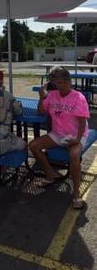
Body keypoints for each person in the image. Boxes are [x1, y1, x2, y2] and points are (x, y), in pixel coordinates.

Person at [29, 67, 89, 209]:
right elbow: (41, 111)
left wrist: (77, 139)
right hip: (58, 133)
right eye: (57, 82)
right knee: (33, 145)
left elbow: (82, 121)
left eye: (63, 82)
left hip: (75, 133)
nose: (60, 85)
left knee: (74, 155)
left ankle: (76, 193)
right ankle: (50, 174)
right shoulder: (52, 95)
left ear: (69, 82)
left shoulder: (78, 97)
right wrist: (42, 97)